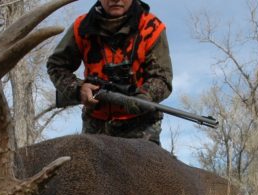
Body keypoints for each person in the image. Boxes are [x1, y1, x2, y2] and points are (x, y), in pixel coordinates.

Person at [47, 0, 172, 145]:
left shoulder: (152, 27)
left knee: (148, 160)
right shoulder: (81, 27)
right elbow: (56, 66)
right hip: (96, 123)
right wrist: (78, 89)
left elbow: (162, 78)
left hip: (142, 124)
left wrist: (145, 96)